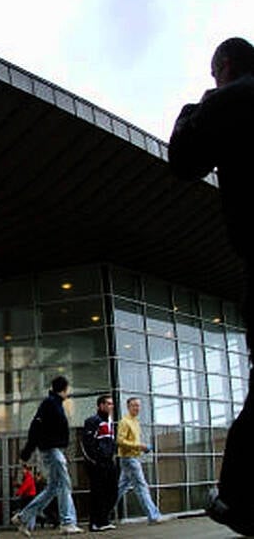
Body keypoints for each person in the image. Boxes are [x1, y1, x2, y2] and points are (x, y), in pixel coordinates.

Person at [168, 36, 254, 537]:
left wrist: (193, 108)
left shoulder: (228, 100)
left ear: (222, 66)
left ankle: (241, 497)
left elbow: (184, 160)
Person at [11, 375, 83, 536]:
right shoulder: (50, 404)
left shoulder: (54, 404)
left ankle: (23, 517)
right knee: (64, 484)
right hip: (51, 450)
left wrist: (27, 452)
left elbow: (37, 428)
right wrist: (26, 452)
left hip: (53, 450)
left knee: (52, 488)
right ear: (65, 389)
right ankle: (67, 522)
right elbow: (35, 427)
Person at [114, 397, 162, 524]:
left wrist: (141, 448)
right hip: (129, 459)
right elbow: (120, 441)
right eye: (134, 405)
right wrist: (139, 446)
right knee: (141, 487)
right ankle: (153, 515)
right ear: (128, 407)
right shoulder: (125, 422)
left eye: (138, 406)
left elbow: (132, 442)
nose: (137, 408)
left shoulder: (135, 422)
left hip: (133, 457)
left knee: (120, 488)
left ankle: (102, 513)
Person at [81, 395, 117, 532]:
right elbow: (86, 444)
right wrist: (95, 460)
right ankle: (96, 522)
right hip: (97, 463)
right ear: (100, 405)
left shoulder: (110, 422)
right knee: (98, 493)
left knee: (112, 492)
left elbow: (111, 441)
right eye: (108, 404)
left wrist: (112, 455)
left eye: (112, 404)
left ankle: (103, 519)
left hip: (109, 462)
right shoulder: (92, 421)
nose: (111, 406)